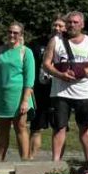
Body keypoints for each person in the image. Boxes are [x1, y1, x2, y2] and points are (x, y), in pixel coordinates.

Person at [43, 11, 88, 162]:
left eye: (76, 22)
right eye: (69, 22)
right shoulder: (55, 41)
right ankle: (55, 162)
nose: (72, 25)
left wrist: (81, 72)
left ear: (82, 24)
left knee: (85, 127)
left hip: (85, 92)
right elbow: (46, 64)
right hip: (60, 92)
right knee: (59, 127)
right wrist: (61, 75)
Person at [0, 22, 35, 161]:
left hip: (20, 96)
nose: (12, 35)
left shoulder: (26, 52)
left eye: (15, 33)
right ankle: (0, 161)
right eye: (10, 32)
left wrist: (25, 100)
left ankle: (25, 161)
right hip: (2, 96)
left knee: (20, 127)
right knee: (3, 130)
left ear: (21, 35)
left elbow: (30, 78)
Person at [30, 16, 66, 157]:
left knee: (60, 127)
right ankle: (30, 160)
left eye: (60, 26)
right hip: (40, 89)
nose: (57, 28)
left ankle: (57, 162)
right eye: (55, 25)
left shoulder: (69, 44)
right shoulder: (38, 43)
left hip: (59, 90)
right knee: (36, 126)